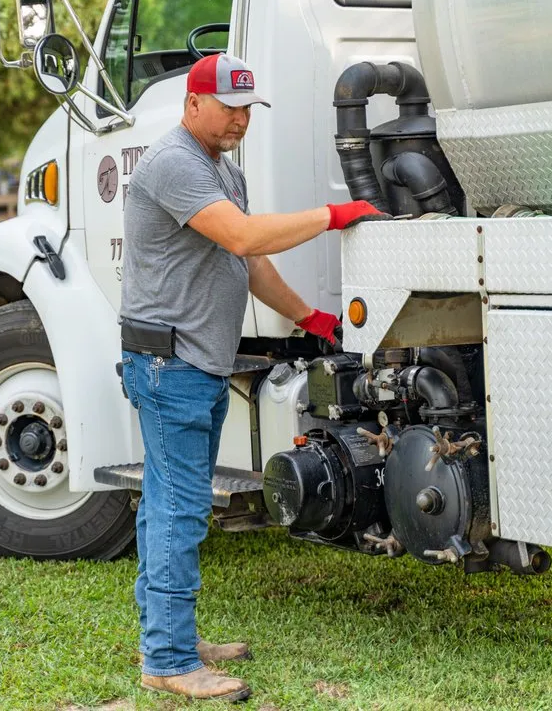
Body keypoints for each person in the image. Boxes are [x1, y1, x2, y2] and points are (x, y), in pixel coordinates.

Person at [119, 53, 387, 702]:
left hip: (193, 363)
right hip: (169, 365)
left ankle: (166, 632)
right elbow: (240, 238)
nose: (240, 119)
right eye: (229, 107)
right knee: (180, 510)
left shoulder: (222, 171)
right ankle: (170, 660)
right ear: (193, 104)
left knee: (165, 505)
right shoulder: (174, 163)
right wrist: (335, 214)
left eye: (247, 109)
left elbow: (249, 262)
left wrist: (312, 318)